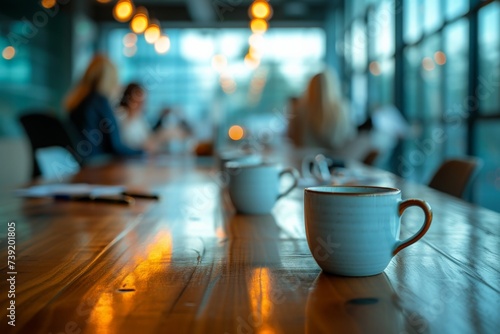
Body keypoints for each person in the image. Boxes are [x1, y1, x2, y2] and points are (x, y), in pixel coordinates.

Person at [65, 55, 143, 161]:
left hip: (78, 164)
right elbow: (116, 147)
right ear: (110, 80)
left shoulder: (77, 102)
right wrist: (143, 151)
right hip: (95, 167)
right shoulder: (100, 102)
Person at [290, 69, 357, 150]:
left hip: (304, 158)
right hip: (335, 158)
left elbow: (293, 137)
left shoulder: (299, 109)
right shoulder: (343, 109)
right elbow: (349, 139)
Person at [116, 83, 192, 153]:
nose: (142, 105)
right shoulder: (121, 117)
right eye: (138, 100)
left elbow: (148, 140)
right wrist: (163, 135)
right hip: (127, 162)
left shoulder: (139, 118)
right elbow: (140, 146)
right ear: (128, 99)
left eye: (143, 101)